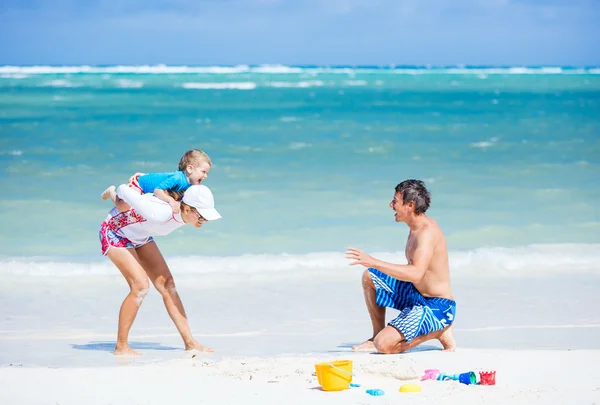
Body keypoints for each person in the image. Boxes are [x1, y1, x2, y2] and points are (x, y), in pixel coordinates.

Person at [99, 182, 221, 355]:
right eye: (201, 217)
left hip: (139, 235)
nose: (205, 221)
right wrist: (130, 185)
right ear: (187, 210)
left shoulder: (180, 209)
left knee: (168, 285)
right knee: (140, 286)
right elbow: (124, 190)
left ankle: (190, 342)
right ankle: (121, 346)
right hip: (115, 231)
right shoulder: (160, 213)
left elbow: (171, 182)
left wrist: (145, 180)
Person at [345, 179, 456, 354]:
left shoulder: (427, 233)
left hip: (437, 306)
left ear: (410, 205)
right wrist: (374, 267)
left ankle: (439, 331)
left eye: (395, 201)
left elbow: (416, 274)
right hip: (416, 295)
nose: (391, 205)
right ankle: (376, 335)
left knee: (384, 345)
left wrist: (374, 261)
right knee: (370, 276)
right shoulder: (415, 227)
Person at [101, 149, 212, 214]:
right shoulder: (178, 178)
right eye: (203, 172)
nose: (206, 176)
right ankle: (111, 192)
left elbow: (163, 176)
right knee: (123, 207)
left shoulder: (189, 185)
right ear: (190, 169)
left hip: (147, 182)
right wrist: (171, 201)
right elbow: (158, 190)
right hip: (140, 184)